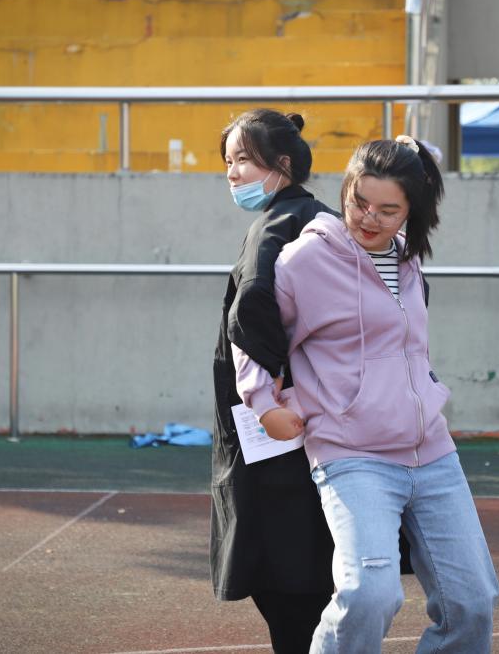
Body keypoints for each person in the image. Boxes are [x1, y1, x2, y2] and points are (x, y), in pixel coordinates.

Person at [234, 136, 499, 653]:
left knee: (473, 601)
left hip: (432, 452)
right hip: (352, 455)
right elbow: (249, 325)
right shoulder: (306, 259)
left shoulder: (406, 258)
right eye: (359, 202)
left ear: (411, 212)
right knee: (369, 594)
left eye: (388, 210)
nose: (368, 218)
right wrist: (263, 404)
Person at [210, 109, 337, 653]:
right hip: (326, 415)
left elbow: (251, 305)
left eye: (244, 159)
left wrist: (270, 393)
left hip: (278, 427)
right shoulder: (325, 218)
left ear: (282, 163)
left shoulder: (275, 225)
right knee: (317, 561)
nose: (232, 172)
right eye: (228, 161)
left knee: (284, 573)